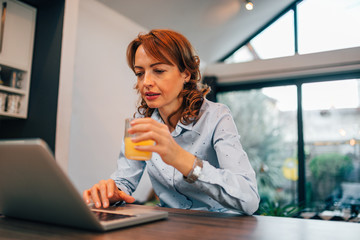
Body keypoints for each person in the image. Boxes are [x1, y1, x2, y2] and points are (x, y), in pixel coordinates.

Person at [83, 29, 259, 214]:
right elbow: (124, 181)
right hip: (170, 226)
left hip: (220, 227)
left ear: (186, 74)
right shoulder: (142, 124)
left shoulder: (216, 117)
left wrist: (180, 158)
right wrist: (113, 192)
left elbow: (249, 199)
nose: (146, 82)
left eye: (158, 71)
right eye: (139, 73)